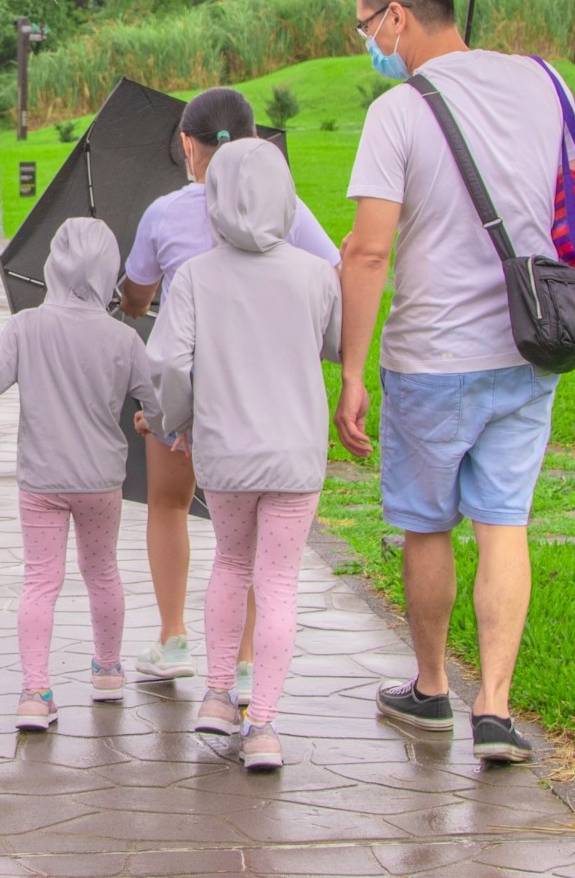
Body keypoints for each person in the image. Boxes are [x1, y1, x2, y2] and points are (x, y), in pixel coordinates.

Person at [334, 0, 570, 766]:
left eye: (366, 25)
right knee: (505, 523)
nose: (369, 42)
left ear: (396, 15)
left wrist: (352, 371)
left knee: (427, 526)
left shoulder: (398, 111)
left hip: (430, 356)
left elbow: (369, 251)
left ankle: (433, 689)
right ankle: (495, 708)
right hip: (528, 343)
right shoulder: (545, 82)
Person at [119, 88, 339, 700]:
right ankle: (244, 661)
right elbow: (333, 271)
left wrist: (133, 304)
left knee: (169, 504)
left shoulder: (164, 214)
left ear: (186, 145)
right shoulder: (289, 211)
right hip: (266, 392)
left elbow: (138, 295)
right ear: (257, 143)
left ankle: (173, 637)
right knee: (251, 547)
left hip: (185, 385)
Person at [0, 218, 158, 732]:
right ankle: (108, 671)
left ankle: (34, 693)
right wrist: (154, 422)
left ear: (53, 264)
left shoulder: (25, 328)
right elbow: (158, 401)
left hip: (42, 481)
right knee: (102, 572)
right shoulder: (124, 338)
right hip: (100, 481)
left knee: (40, 581)